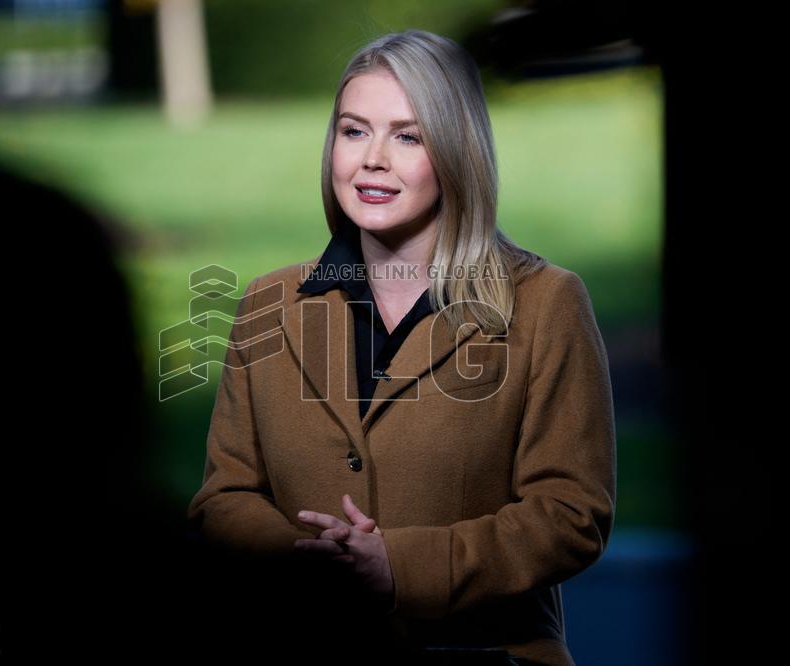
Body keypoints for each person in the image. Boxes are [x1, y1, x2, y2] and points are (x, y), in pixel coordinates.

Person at [187, 29, 616, 666]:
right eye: (354, 130)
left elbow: (571, 512)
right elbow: (223, 498)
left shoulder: (546, 302)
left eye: (407, 136)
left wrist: (400, 567)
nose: (372, 160)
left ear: (457, 152)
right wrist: (311, 570)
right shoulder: (267, 303)